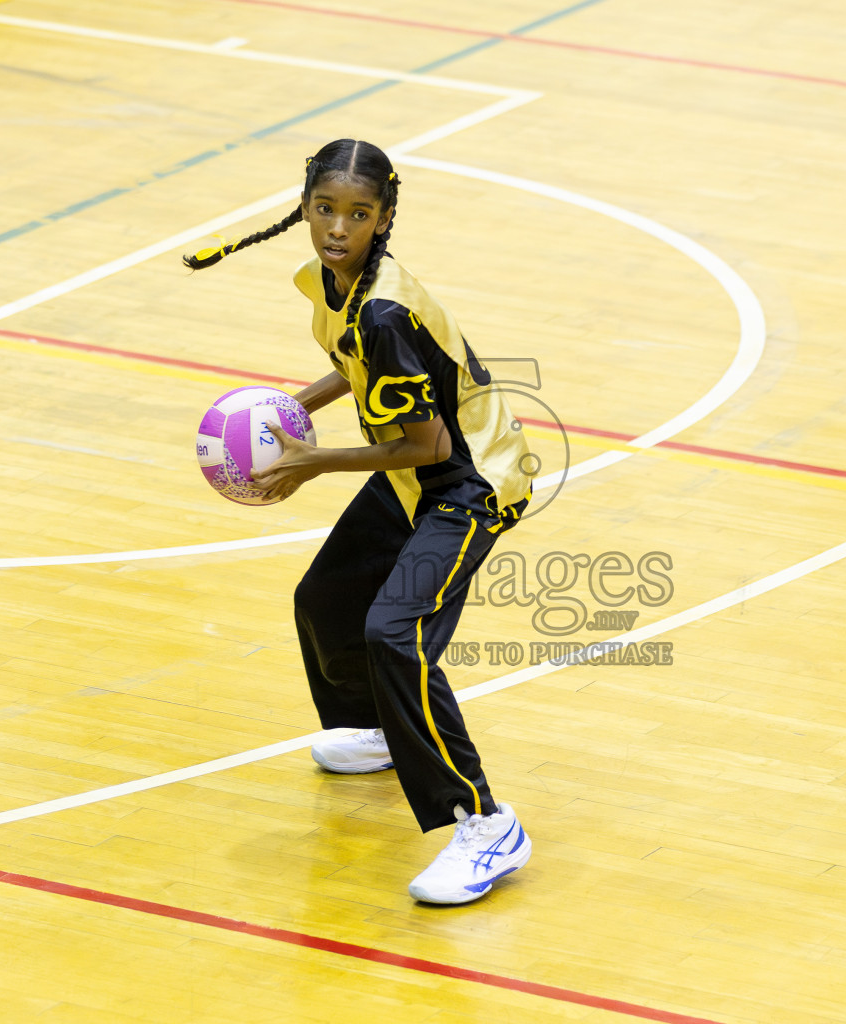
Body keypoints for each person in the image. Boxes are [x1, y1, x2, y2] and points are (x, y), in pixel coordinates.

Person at [183, 139, 534, 904]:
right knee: (327, 600)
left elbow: (426, 441)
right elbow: (356, 364)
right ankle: (382, 730)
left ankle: (484, 824)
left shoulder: (384, 308)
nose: (338, 227)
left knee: (392, 633)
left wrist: (310, 461)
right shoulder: (338, 282)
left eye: (359, 214)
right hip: (413, 473)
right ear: (304, 206)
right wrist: (291, 410)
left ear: (384, 219)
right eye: (325, 209)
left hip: (467, 484)